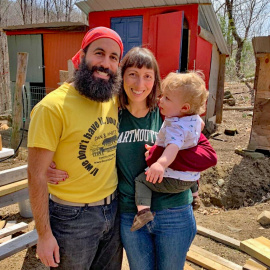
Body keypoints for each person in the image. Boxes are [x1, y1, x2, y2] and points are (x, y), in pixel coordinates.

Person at [48, 46, 217, 270]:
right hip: (131, 215)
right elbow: (83, 144)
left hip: (173, 212)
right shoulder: (110, 112)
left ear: (155, 80)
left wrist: (160, 156)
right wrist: (50, 165)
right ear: (121, 75)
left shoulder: (170, 113)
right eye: (132, 74)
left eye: (148, 76)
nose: (140, 84)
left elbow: (208, 157)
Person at [27, 27, 124, 269]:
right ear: (82, 56)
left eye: (113, 57)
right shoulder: (51, 108)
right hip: (72, 219)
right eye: (99, 53)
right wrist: (44, 235)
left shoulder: (111, 97)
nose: (105, 63)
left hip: (113, 211)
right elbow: (35, 174)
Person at [130, 71, 209, 231]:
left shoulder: (175, 127)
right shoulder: (194, 119)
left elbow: (172, 148)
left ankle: (143, 212)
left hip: (174, 179)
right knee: (191, 170)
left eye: (167, 98)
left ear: (184, 107)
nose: (161, 100)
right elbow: (200, 126)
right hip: (191, 180)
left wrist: (160, 163)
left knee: (141, 181)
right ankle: (195, 197)